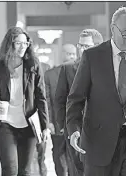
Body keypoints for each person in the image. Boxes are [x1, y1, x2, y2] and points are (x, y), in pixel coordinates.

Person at [66, 6, 126, 176]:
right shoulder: (93, 57)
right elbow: (75, 99)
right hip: (98, 143)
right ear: (113, 29)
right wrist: (74, 129)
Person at [0, 26, 49, 176]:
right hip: (4, 125)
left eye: (25, 43)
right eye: (18, 43)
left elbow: (41, 97)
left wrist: (45, 126)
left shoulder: (33, 65)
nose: (23, 47)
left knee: (25, 171)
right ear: (10, 43)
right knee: (9, 169)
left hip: (28, 125)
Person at [55, 29, 103, 176]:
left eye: (86, 46)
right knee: (77, 171)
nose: (82, 49)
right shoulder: (68, 68)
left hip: (101, 129)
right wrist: (65, 126)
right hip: (76, 128)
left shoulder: (106, 69)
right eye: (80, 45)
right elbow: (60, 100)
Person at [44, 43, 77, 176]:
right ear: (62, 55)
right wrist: (49, 121)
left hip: (75, 123)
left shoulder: (81, 72)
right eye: (68, 53)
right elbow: (47, 99)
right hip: (57, 123)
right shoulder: (50, 74)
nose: (71, 56)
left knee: (73, 156)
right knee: (58, 153)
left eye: (73, 54)